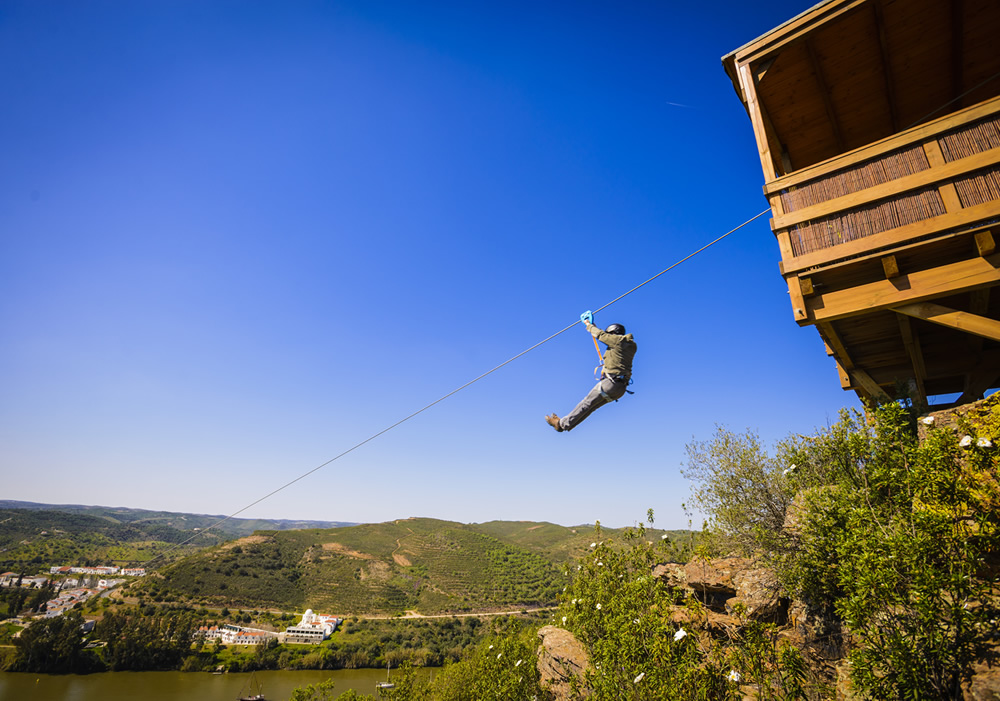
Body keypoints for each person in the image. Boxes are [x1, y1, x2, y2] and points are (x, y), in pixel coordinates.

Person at [545, 315, 636, 432]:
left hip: (610, 384)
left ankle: (561, 423)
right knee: (590, 407)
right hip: (620, 389)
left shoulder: (618, 341)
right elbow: (604, 336)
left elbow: (602, 336)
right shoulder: (628, 345)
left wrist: (588, 325)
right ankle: (564, 425)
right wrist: (594, 327)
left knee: (586, 403)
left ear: (614, 333)